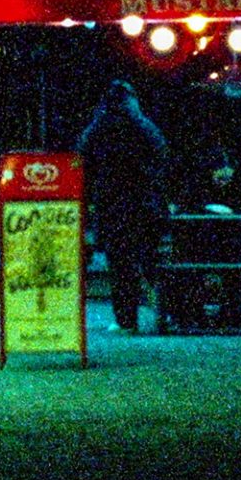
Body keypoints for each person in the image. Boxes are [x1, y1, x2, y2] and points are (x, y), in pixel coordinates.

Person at [77, 79, 170, 332]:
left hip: (111, 205)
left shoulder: (98, 127)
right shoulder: (143, 125)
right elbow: (162, 155)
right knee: (150, 262)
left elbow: (82, 160)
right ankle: (163, 314)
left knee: (120, 266)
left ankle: (126, 319)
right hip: (144, 203)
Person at [171, 145, 241, 331]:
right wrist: (208, 209)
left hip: (228, 245)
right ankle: (196, 313)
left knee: (237, 264)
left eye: (228, 178)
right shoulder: (196, 186)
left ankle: (230, 312)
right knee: (192, 266)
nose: (225, 182)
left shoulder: (238, 186)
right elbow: (183, 207)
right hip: (199, 244)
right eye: (220, 178)